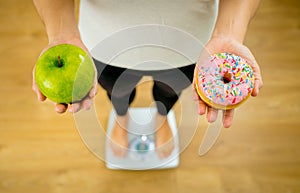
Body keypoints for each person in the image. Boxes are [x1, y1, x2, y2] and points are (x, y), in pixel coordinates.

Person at [32, 0, 263, 159]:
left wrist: (229, 33)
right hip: (103, 44)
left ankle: (162, 119)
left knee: (169, 92)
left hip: (191, 46)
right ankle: (121, 118)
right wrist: (61, 32)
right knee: (117, 93)